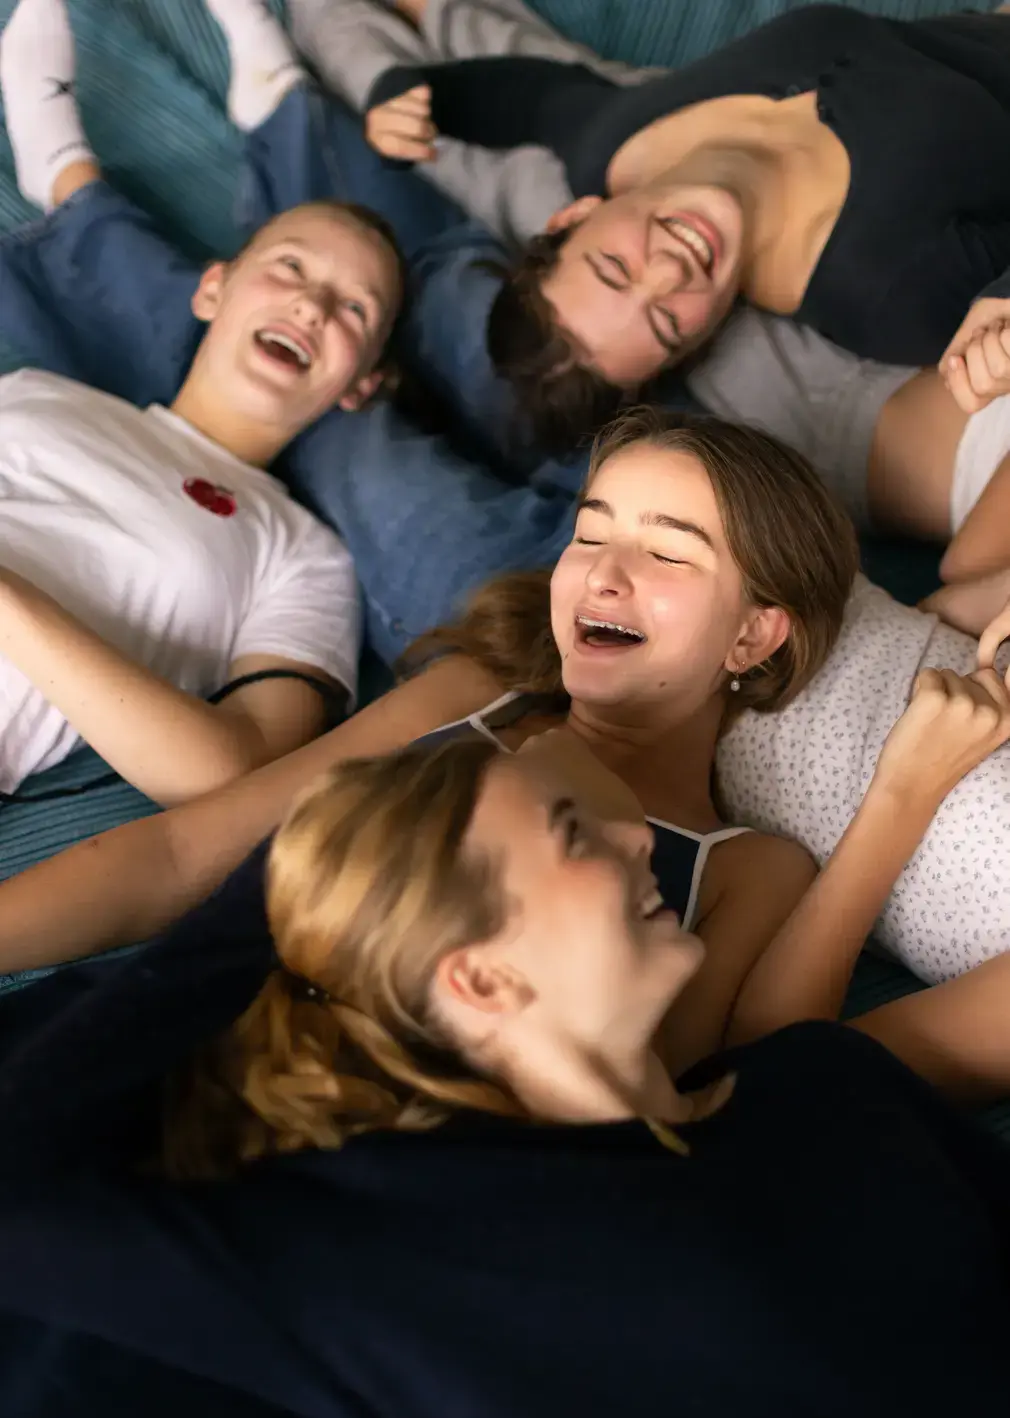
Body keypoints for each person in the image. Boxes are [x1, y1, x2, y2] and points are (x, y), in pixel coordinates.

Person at [3, 409, 1010, 1091]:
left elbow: (729, 1084)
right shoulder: (473, 701)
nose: (603, 574)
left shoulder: (747, 867)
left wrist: (899, 794)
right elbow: (178, 857)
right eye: (588, 534)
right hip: (168, 1018)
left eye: (664, 552)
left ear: (752, 635)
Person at [1, 734, 1010, 1415]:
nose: (633, 840)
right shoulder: (387, 1232)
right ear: (476, 973)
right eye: (575, 834)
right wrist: (294, 889)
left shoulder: (820, 1085)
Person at [0, 0, 420, 803]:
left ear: (363, 381)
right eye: (291, 268)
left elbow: (235, 772)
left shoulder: (305, 558)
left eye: (354, 310)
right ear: (213, 289)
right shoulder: (36, 394)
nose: (311, 308)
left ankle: (61, 155)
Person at [364, 3, 1010, 449]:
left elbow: (532, 100)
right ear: (703, 339)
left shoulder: (615, 143)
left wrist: (414, 92)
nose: (672, 271)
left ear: (576, 214)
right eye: (668, 323)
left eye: (613, 269)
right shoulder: (893, 296)